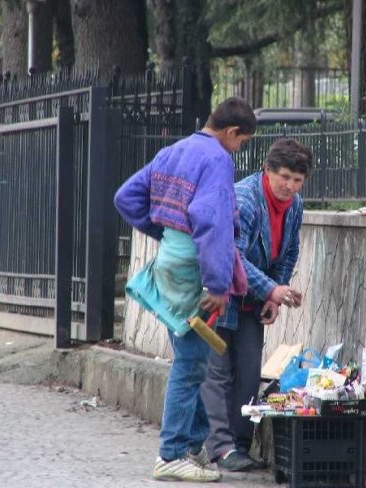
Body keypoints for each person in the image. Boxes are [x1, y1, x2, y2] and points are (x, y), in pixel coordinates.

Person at [113, 97, 256, 482]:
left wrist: (163, 231)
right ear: (231, 132)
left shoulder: (173, 149)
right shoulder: (217, 159)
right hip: (196, 267)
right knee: (190, 364)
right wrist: (217, 283)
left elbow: (125, 197)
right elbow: (213, 222)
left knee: (196, 357)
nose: (239, 149)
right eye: (241, 142)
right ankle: (171, 453)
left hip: (172, 259)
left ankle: (192, 446)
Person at [201, 138, 313, 471]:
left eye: (297, 180)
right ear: (267, 170)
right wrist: (271, 289)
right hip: (218, 295)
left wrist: (274, 294)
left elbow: (289, 250)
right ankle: (219, 448)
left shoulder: (295, 205)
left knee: (249, 375)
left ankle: (239, 445)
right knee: (218, 373)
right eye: (284, 177)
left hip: (253, 298)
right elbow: (231, 255)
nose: (289, 186)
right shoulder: (245, 199)